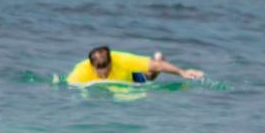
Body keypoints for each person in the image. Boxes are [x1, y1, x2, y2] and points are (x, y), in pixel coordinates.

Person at [66, 46, 205, 85]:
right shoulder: (81, 70)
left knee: (151, 76)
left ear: (111, 62)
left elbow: (156, 66)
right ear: (92, 66)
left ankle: (160, 58)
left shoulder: (122, 59)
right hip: (119, 82)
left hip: (130, 76)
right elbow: (68, 85)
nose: (102, 74)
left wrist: (183, 72)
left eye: (105, 70)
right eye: (99, 70)